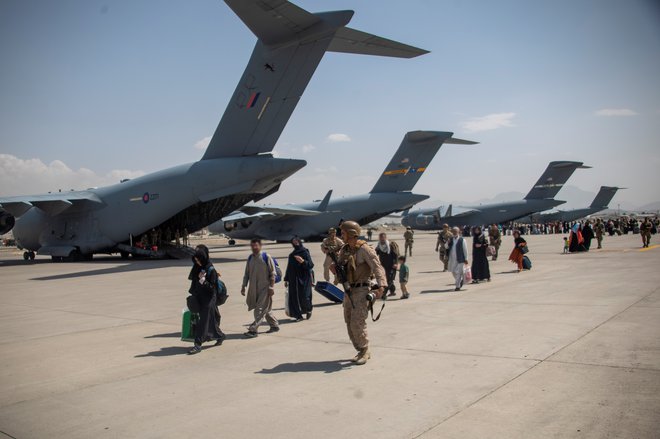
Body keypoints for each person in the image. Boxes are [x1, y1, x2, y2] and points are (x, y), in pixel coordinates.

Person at [332, 221, 386, 365]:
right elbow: (341, 271)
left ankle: (365, 349)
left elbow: (377, 266)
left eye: (343, 233)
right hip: (349, 290)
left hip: (362, 290)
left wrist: (381, 286)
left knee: (357, 322)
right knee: (349, 321)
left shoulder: (364, 250)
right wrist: (335, 271)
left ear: (351, 233)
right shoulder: (344, 250)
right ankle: (360, 349)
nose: (341, 235)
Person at [186, 245, 224, 354]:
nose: (197, 262)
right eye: (195, 260)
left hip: (208, 298)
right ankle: (220, 336)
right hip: (199, 297)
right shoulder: (197, 267)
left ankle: (197, 344)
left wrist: (203, 281)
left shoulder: (211, 269)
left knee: (203, 321)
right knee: (210, 320)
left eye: (198, 260)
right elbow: (193, 282)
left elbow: (213, 289)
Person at [241, 239, 279, 338]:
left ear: (260, 246)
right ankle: (274, 325)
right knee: (267, 309)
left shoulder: (266, 257)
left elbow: (273, 273)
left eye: (256, 246)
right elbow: (246, 274)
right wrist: (243, 286)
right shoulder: (250, 258)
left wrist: (271, 287)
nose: (254, 248)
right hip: (254, 289)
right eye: (252, 246)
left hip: (265, 288)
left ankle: (253, 330)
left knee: (259, 309)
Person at [284, 237, 314, 322]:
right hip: (293, 278)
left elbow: (311, 265)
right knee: (294, 298)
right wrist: (286, 279)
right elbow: (289, 267)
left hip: (304, 278)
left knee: (305, 296)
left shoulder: (305, 252)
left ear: (300, 241)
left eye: (296, 241)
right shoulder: (291, 255)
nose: (295, 242)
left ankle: (308, 309)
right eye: (293, 241)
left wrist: (303, 261)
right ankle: (298, 316)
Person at [375, 232, 400, 299]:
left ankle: (384, 294)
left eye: (383, 237)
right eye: (380, 238)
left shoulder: (391, 246)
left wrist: (395, 263)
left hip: (391, 266)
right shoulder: (378, 246)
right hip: (383, 266)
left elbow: (396, 256)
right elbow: (374, 255)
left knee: (388, 280)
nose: (381, 239)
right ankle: (392, 291)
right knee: (387, 280)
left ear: (385, 238)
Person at [447, 226, 469, 291]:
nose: (454, 233)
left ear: (458, 232)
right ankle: (461, 280)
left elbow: (465, 250)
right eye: (453, 231)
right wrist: (447, 243)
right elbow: (446, 247)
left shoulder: (462, 240)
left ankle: (457, 286)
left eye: (455, 231)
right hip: (452, 258)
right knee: (453, 271)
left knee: (459, 272)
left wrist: (466, 258)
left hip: (460, 259)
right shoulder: (450, 239)